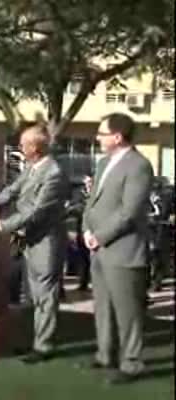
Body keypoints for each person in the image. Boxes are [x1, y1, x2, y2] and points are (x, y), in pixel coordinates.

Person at [0, 123, 69, 364]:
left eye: (23, 144)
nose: (19, 147)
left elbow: (35, 213)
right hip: (28, 240)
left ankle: (44, 346)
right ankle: (34, 340)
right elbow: (13, 190)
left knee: (45, 296)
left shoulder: (54, 174)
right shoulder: (33, 167)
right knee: (32, 296)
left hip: (45, 241)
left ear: (35, 148)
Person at [81, 113, 153, 385]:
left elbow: (130, 212)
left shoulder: (139, 166)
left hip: (123, 249)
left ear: (117, 137)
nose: (98, 138)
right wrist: (88, 230)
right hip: (97, 248)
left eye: (102, 133)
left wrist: (100, 236)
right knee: (103, 306)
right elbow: (93, 203)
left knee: (127, 311)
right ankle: (105, 354)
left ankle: (131, 362)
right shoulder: (103, 164)